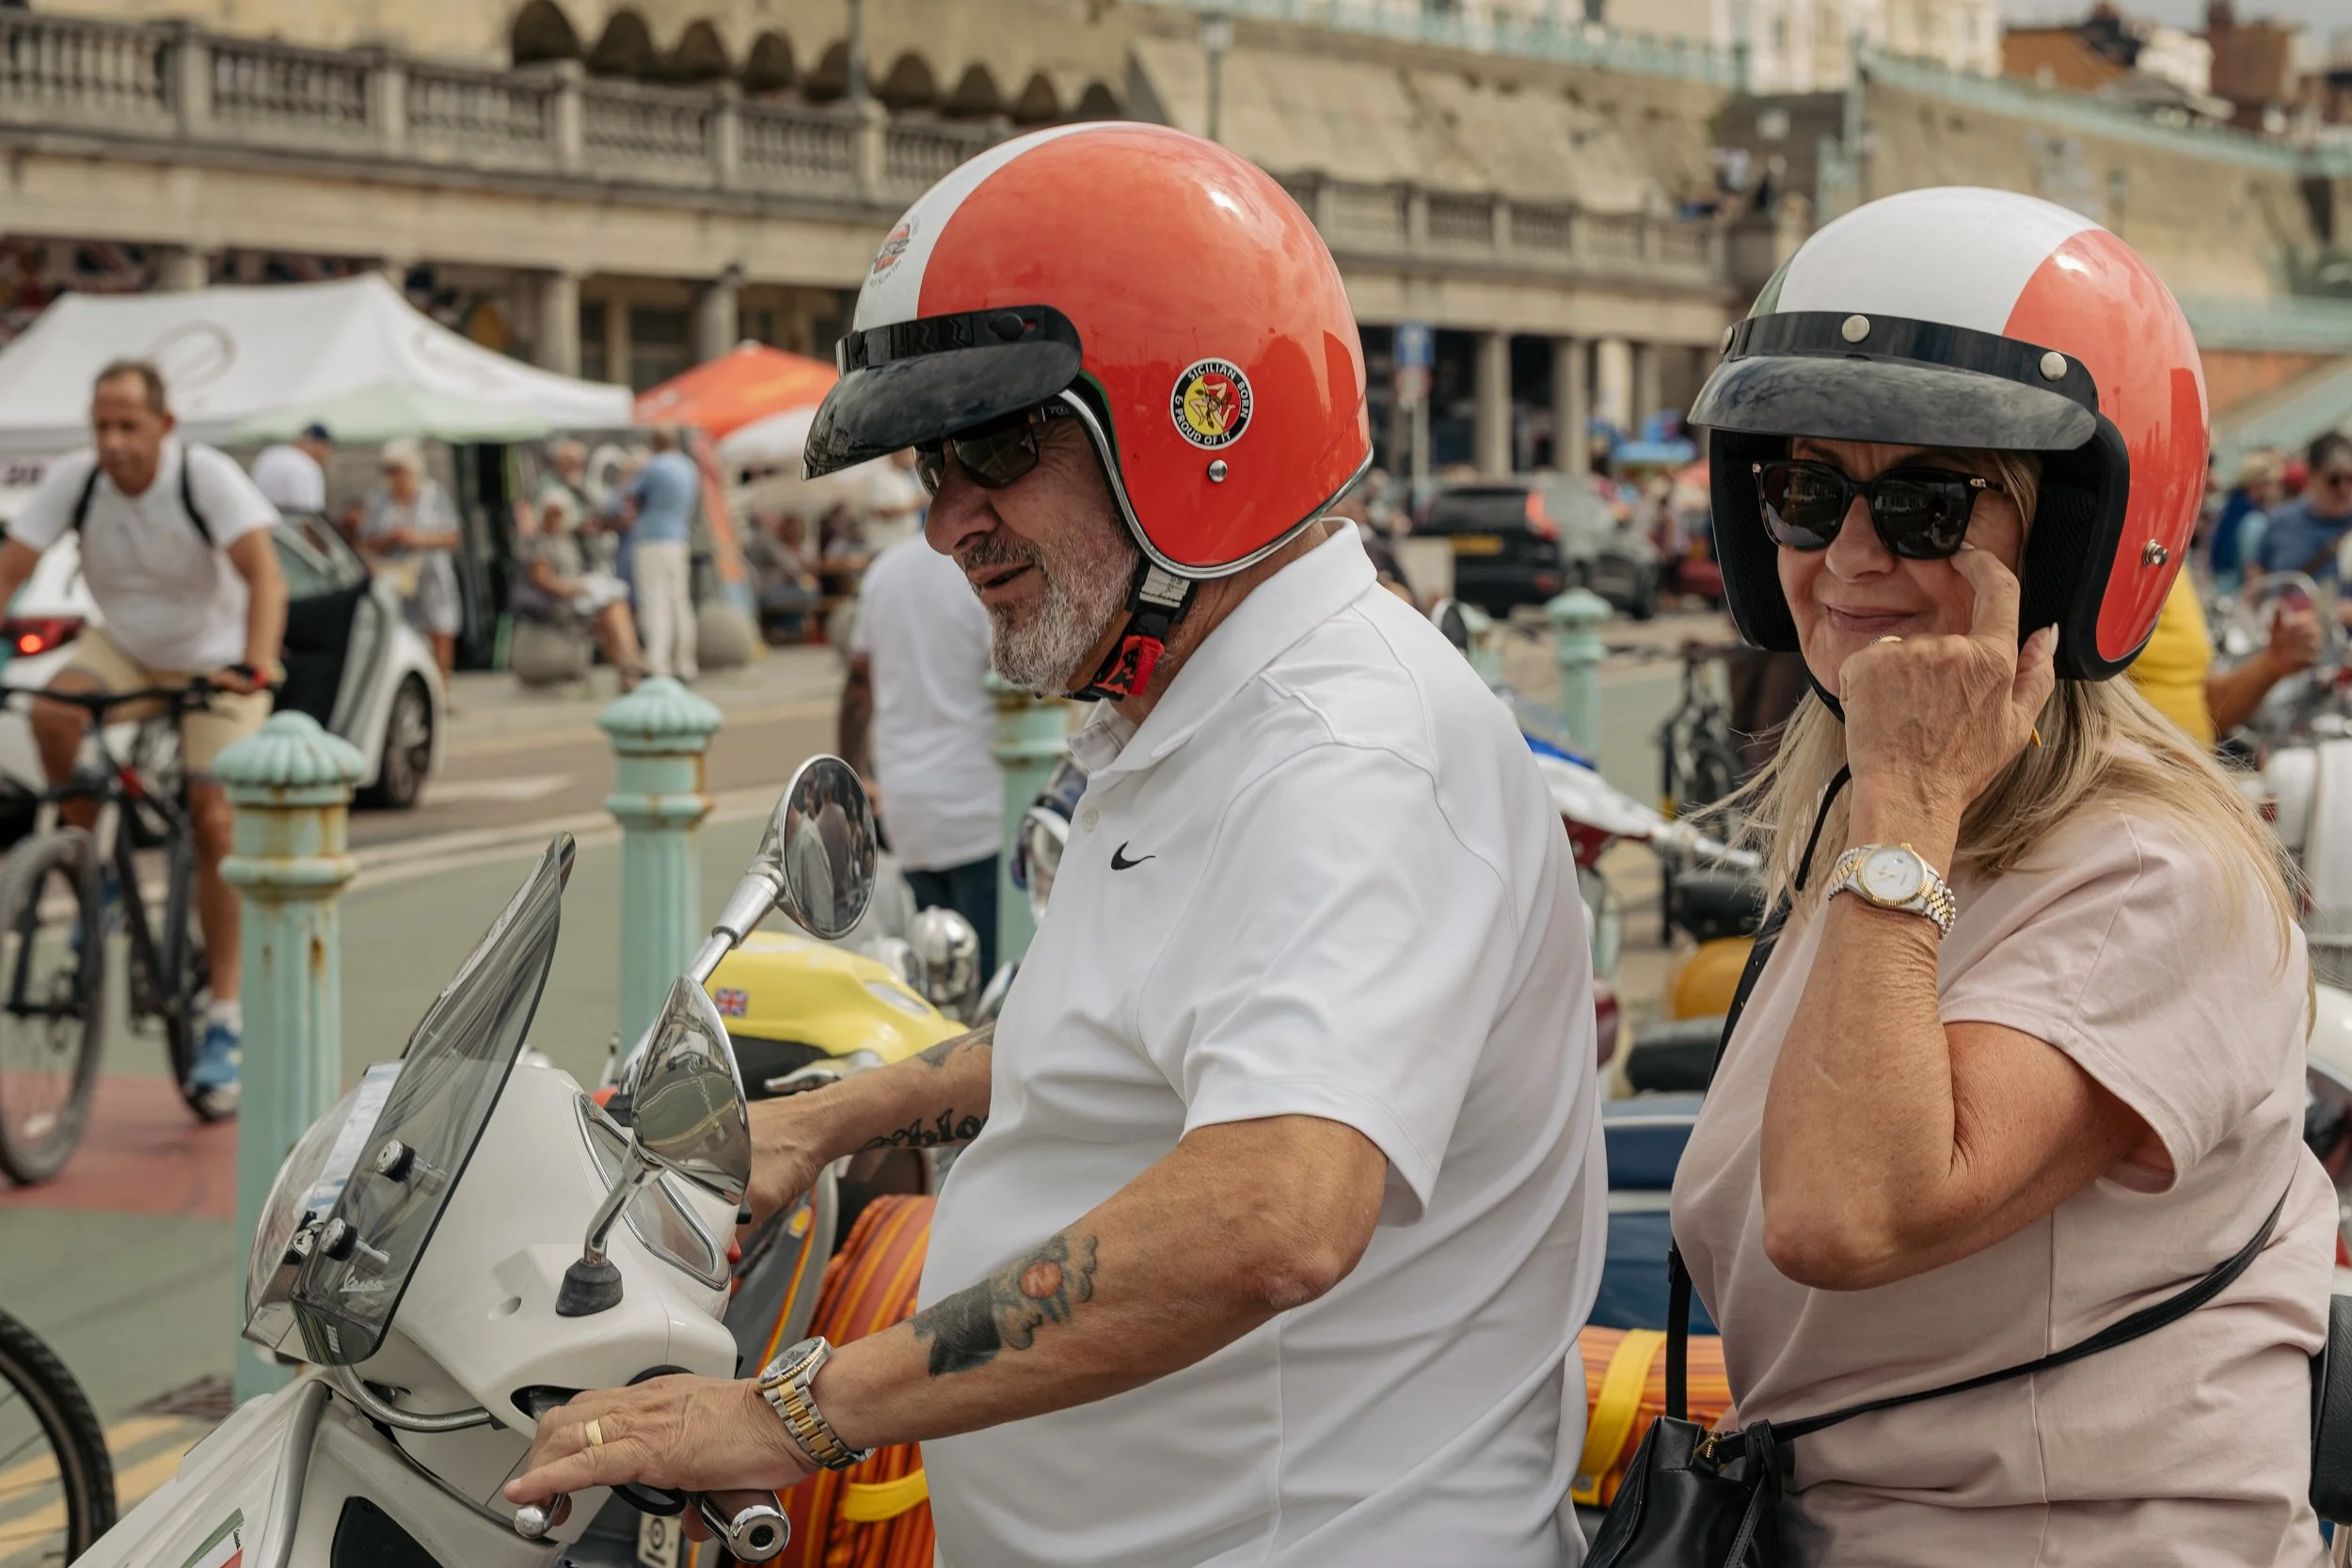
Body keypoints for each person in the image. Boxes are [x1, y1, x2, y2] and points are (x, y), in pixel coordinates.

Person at [507, 123, 1604, 1568]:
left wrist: (797, 1410)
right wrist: (842, 1111)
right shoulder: (1204, 708)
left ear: (1194, 422)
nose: (949, 517)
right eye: (928, 466)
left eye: (996, 444)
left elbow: (1275, 1206)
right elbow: (1150, 1040)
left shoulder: (1349, 751)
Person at [1677, 186, 2328, 1563]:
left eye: (1925, 505)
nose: (1849, 556)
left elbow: (1848, 1211)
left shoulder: (2152, 876)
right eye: (1805, 491)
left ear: (2079, 541)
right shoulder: (1889, 840)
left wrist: (1906, 798)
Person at [0, 361, 286, 1116]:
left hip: (214, 658)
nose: (113, 441)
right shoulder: (77, 480)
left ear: (165, 424)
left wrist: (255, 663)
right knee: (53, 710)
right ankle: (89, 872)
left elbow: (265, 575)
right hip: (123, 647)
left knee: (213, 816)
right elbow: (13, 570)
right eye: (101, 425)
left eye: (129, 424)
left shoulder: (207, 478)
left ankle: (225, 1013)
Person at [838, 522, 1002, 974]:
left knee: (930, 978)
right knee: (989, 984)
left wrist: (857, 775)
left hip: (907, 810)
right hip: (982, 808)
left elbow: (857, 687)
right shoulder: (989, 568)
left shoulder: (883, 572)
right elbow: (1019, 687)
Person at [2126, 566, 2320, 748]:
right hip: (2142, 778)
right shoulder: (2102, 550)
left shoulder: (2174, 560)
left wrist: (2273, 663)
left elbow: (2205, 705)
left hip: (2193, 771)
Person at [516, 486, 644, 691]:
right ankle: (631, 664)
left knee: (614, 610)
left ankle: (628, 670)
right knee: (612, 611)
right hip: (557, 602)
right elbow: (542, 579)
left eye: (560, 512)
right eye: (552, 512)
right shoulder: (540, 541)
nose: (556, 517)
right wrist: (572, 589)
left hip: (577, 597)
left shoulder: (567, 538)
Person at [358, 438, 461, 686]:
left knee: (440, 630)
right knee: (400, 631)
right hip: (396, 577)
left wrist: (418, 538)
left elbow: (453, 536)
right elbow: (365, 542)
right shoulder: (378, 499)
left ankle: (441, 689)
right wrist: (390, 539)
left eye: (397, 470)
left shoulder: (433, 494)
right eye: (389, 470)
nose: (392, 476)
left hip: (432, 575)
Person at [620, 427, 699, 682]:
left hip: (652, 539)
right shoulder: (688, 467)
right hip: (678, 539)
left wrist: (630, 472)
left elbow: (630, 497)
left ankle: (658, 663)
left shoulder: (653, 467)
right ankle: (685, 664)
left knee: (654, 602)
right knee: (680, 603)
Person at [2250, 431, 2352, 590]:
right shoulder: (2280, 524)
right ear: (2312, 476)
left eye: (2351, 478)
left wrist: (2341, 612)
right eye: (2334, 480)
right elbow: (2255, 585)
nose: (2344, 488)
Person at [2207, 449, 2286, 595]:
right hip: (2238, 598)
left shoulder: (2228, 511)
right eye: (2272, 484)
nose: (2276, 490)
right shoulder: (2254, 521)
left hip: (2222, 593)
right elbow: (2252, 572)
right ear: (2259, 484)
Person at [249, 421, 331, 515]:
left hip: (260, 524)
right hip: (288, 527)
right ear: (320, 445)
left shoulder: (268, 455)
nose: (326, 454)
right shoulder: (308, 466)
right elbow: (311, 517)